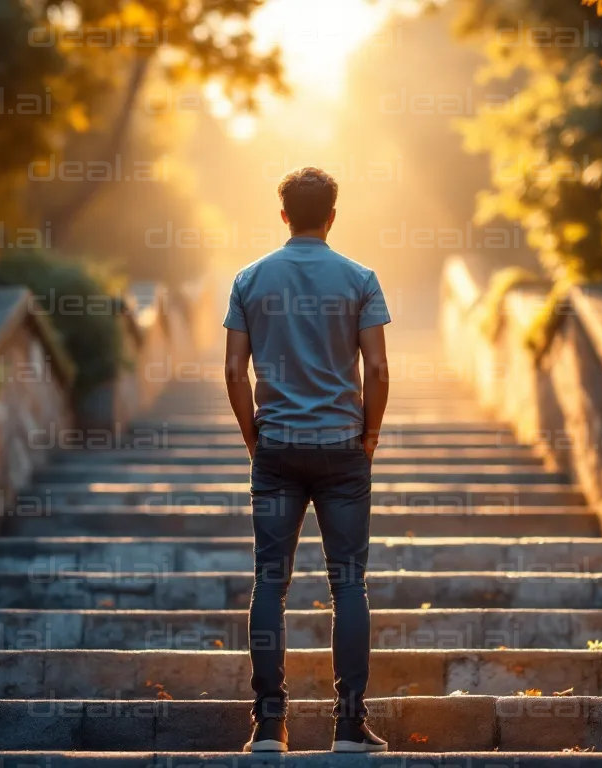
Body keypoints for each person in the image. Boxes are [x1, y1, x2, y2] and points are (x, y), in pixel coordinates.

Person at [222, 166, 391, 753]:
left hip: (276, 447)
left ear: (284, 214)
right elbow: (378, 369)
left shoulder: (249, 278)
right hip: (342, 446)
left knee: (270, 581)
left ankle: (268, 725)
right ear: (333, 216)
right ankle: (349, 726)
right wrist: (367, 438)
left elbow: (232, 370)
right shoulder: (360, 278)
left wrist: (253, 437)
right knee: (349, 585)